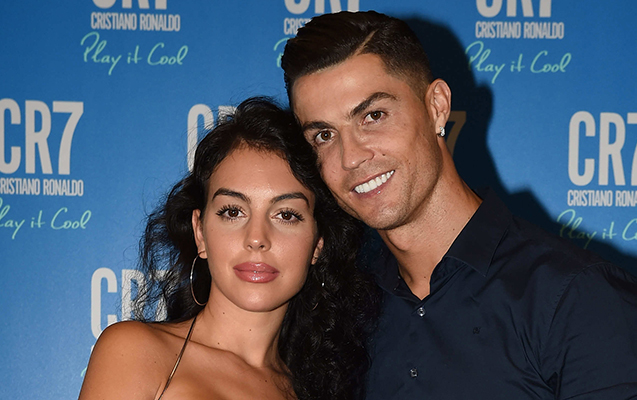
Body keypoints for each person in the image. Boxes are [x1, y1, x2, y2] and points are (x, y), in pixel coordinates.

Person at [281, 10, 637, 400]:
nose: (350, 157)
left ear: (437, 106)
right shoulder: (339, 314)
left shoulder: (577, 297)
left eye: (373, 116)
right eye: (324, 135)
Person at [78, 98, 379, 400]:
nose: (257, 238)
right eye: (233, 212)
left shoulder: (317, 391)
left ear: (317, 244)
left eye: (286, 215)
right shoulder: (137, 352)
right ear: (200, 233)